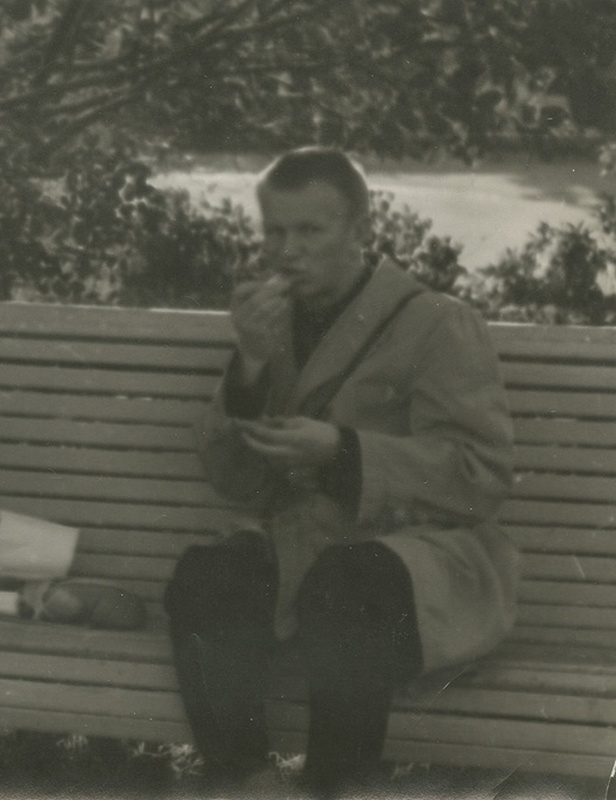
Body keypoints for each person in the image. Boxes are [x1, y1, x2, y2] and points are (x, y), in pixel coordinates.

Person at [164, 148, 520, 797]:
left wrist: (343, 452)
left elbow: (480, 475)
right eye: (275, 231)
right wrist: (249, 366)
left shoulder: (436, 322)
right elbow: (236, 483)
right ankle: (245, 783)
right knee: (207, 575)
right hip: (308, 548)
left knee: (348, 583)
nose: (287, 251)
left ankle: (336, 787)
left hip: (420, 564)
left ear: (360, 229)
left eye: (310, 230)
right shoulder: (271, 330)